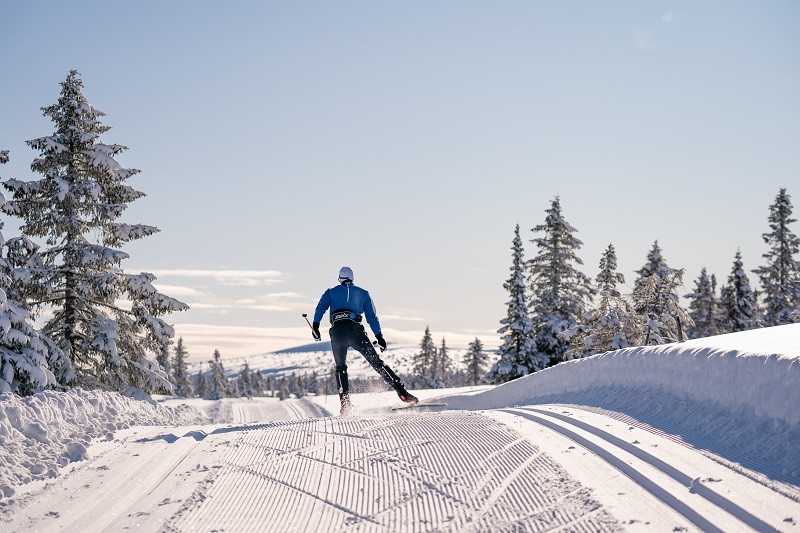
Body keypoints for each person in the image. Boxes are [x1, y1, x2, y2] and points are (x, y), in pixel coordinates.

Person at [312, 266, 418, 415]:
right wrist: (379, 336)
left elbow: (319, 308)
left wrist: (315, 327)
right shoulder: (363, 294)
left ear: (339, 279)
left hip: (337, 333)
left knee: (340, 368)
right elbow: (372, 316)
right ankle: (402, 392)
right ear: (352, 278)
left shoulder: (330, 292)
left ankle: (345, 404)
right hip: (355, 331)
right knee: (376, 362)